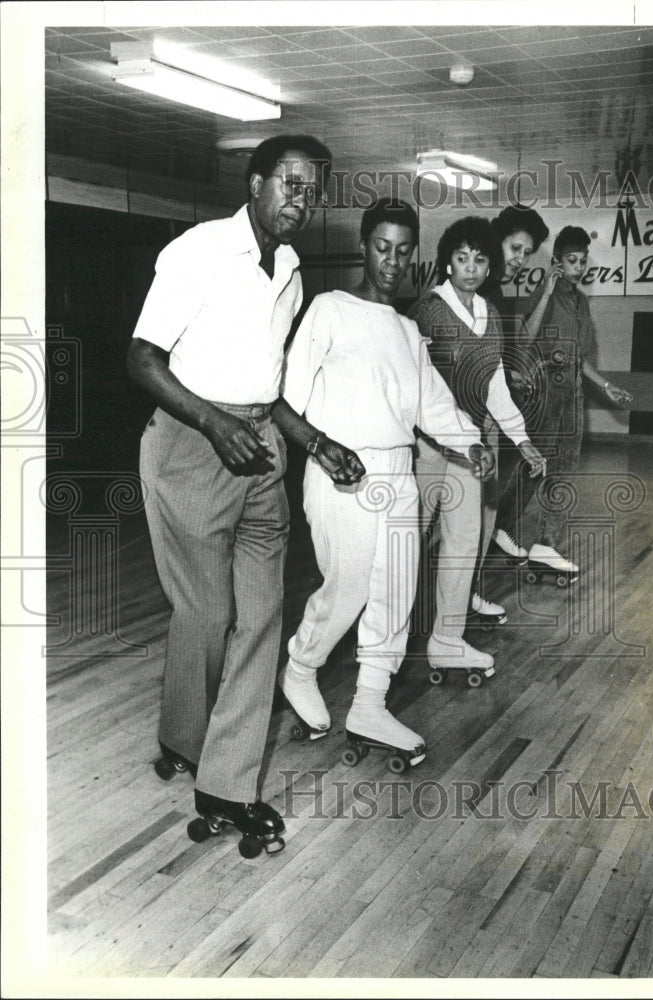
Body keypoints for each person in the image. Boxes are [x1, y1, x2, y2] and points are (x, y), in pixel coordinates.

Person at [127, 134, 364, 856]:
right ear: (256, 182)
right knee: (206, 610)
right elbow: (142, 357)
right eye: (290, 183)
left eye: (313, 190)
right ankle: (181, 735)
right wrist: (212, 421)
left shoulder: (289, 269)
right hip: (193, 443)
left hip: (259, 446)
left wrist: (315, 442)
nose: (302, 200)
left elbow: (269, 387)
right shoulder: (198, 252)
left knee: (261, 616)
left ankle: (224, 783)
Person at [279, 198, 494, 765]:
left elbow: (432, 403)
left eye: (403, 251)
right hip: (339, 471)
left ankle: (370, 704)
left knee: (397, 592)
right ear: (363, 246)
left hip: (399, 470)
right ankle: (300, 667)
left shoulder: (405, 328)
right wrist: (319, 448)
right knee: (347, 587)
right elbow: (284, 399)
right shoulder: (328, 309)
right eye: (382, 247)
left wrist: (471, 441)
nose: (392, 261)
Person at [410, 216, 546, 670]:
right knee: (409, 538)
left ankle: (446, 639)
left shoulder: (491, 315)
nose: (470, 267)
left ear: (489, 268)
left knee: (464, 540)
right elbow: (418, 386)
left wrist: (521, 439)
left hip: (472, 446)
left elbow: (495, 386)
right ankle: (378, 633)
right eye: (461, 257)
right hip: (427, 443)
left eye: (479, 259)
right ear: (447, 262)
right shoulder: (427, 310)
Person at [496, 225, 632, 574]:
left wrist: (605, 386)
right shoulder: (545, 291)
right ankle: (502, 528)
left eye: (583, 260)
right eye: (572, 260)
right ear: (557, 262)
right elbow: (525, 338)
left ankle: (545, 544)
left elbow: (579, 357)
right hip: (544, 388)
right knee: (535, 464)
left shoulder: (581, 302)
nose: (579, 267)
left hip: (572, 391)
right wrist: (547, 290)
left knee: (565, 468)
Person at [482, 204, 554, 562]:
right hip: (460, 420)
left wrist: (508, 374)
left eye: (526, 253)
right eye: (515, 249)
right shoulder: (477, 285)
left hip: (484, 414)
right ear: (497, 240)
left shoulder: (495, 291)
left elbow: (486, 354)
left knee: (476, 515)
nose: (520, 259)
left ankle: (468, 590)